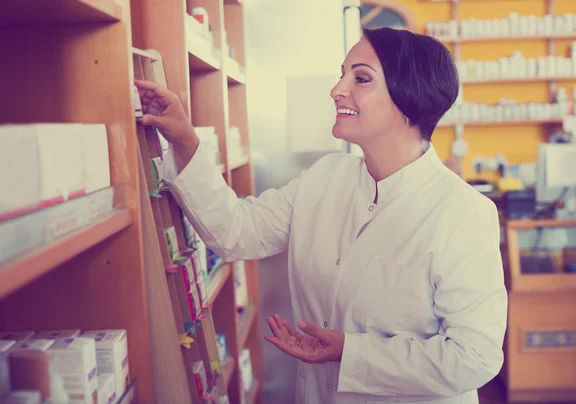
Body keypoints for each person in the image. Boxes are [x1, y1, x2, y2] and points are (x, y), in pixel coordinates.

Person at [135, 27, 507, 404]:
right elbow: (236, 232)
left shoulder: (462, 212)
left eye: (360, 78)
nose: (337, 89)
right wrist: (185, 140)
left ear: (409, 98)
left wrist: (350, 352)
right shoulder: (325, 177)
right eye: (342, 73)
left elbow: (475, 357)